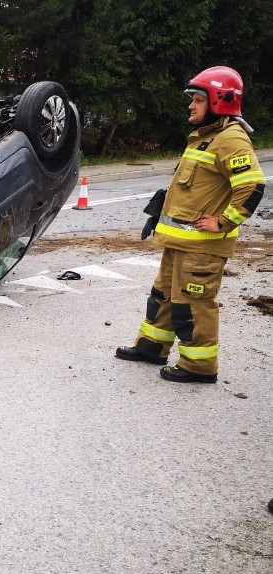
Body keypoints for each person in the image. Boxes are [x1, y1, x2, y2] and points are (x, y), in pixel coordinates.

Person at [115, 66, 265, 383]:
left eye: (198, 99)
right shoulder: (204, 139)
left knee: (192, 306)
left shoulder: (231, 140)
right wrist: (161, 209)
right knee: (164, 297)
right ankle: (151, 347)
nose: (191, 105)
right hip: (181, 244)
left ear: (218, 102)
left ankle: (199, 366)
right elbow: (193, 189)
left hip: (202, 249)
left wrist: (224, 222)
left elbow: (251, 187)